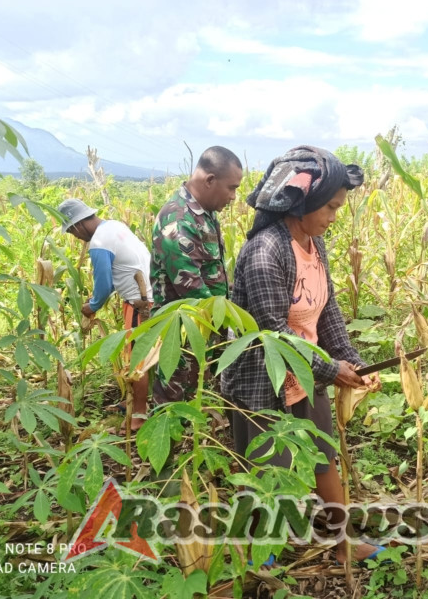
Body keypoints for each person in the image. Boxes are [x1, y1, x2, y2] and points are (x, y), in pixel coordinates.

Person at [220, 146, 384, 566]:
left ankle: (344, 540)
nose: (334, 216)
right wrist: (331, 369)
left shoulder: (314, 244)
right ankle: (263, 552)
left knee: (323, 457)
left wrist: (351, 360)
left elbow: (326, 312)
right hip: (263, 380)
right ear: (303, 202)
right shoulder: (265, 252)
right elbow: (272, 332)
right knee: (266, 468)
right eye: (330, 206)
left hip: (307, 373)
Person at [150, 146, 243, 403]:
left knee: (197, 398)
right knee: (173, 403)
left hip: (203, 323)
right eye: (232, 188)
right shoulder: (178, 219)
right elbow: (190, 284)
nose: (234, 197)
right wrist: (228, 320)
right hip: (182, 329)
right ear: (210, 180)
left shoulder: (205, 212)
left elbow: (210, 269)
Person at [58, 198, 153, 431]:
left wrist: (92, 306)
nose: (75, 237)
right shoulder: (115, 226)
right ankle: (136, 401)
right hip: (152, 296)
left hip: (139, 303)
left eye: (72, 231)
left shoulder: (99, 242)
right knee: (146, 357)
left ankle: (139, 414)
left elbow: (103, 285)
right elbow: (116, 274)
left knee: (138, 361)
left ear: (79, 224)